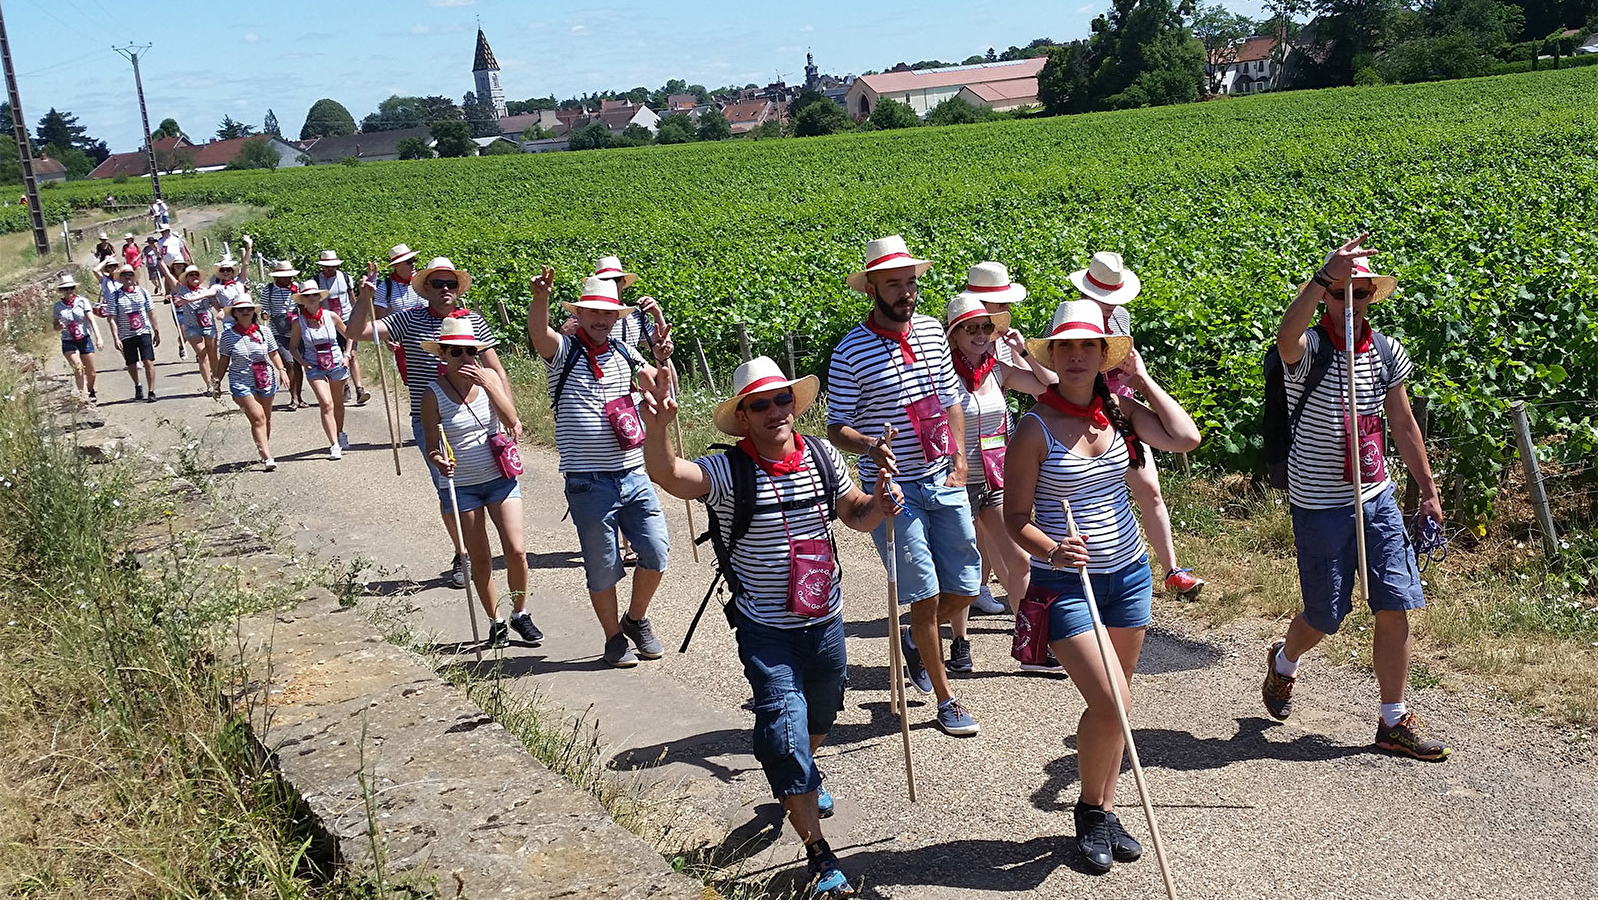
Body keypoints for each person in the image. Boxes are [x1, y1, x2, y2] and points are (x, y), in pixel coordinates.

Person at [642, 356, 899, 899]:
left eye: (782, 398)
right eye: (760, 403)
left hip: (826, 615)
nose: (775, 410)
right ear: (743, 414)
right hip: (766, 628)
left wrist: (880, 503)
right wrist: (659, 430)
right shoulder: (730, 471)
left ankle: (803, 770)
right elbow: (670, 476)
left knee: (823, 710)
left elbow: (855, 513)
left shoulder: (823, 455)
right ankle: (818, 852)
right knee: (783, 728)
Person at [1003, 299, 1201, 873]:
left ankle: (1104, 808)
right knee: (1111, 699)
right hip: (1065, 586)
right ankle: (1090, 812)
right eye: (1065, 347)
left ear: (1102, 355)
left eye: (1087, 346)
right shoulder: (1034, 427)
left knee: (1118, 702)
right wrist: (1052, 548)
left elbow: (1185, 439)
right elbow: (1015, 517)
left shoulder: (1118, 412)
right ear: (1053, 355)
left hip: (1129, 576)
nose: (1075, 356)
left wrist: (1141, 378)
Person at [1262, 234, 1451, 761]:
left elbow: (1404, 423)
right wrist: (1324, 275)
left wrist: (1429, 490)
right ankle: (1284, 660)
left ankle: (1393, 720)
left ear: (1372, 297)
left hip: (1376, 494)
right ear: (1327, 297)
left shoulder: (1386, 350)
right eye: (1341, 294)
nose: (1351, 303)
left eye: (1359, 293)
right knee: (1326, 615)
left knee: (1395, 603)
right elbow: (1286, 334)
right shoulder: (1310, 349)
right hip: (1319, 502)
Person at [826, 235, 982, 737]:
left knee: (966, 585)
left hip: (944, 476)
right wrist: (870, 445)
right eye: (894, 283)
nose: (905, 292)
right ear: (871, 286)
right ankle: (946, 698)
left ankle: (918, 639)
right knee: (924, 592)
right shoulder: (850, 350)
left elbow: (952, 399)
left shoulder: (936, 332)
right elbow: (836, 426)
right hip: (892, 490)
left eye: (910, 282)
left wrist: (960, 459)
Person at [525, 268, 669, 668]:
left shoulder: (625, 353)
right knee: (603, 567)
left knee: (656, 552)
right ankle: (613, 639)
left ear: (617, 318)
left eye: (608, 314)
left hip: (633, 471)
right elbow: (541, 336)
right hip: (587, 480)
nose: (601, 320)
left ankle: (635, 619)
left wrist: (663, 360)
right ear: (581, 313)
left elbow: (658, 386)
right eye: (593, 313)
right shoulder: (565, 352)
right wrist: (541, 300)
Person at [350, 256, 517, 589]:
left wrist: (508, 410)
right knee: (450, 490)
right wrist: (364, 298)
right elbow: (358, 332)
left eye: (450, 284)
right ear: (425, 288)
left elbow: (495, 369)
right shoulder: (409, 320)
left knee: (494, 483)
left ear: (457, 288)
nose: (444, 290)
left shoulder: (473, 321)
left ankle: (478, 554)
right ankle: (463, 553)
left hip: (480, 416)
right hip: (433, 419)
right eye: (437, 284)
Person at [1073, 252, 1206, 600]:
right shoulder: (1069, 318)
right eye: (1102, 298)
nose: (1108, 306)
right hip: (1081, 418)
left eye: (1113, 298)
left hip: (1121, 411)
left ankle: (1172, 570)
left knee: (1149, 487)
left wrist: (1135, 376)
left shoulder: (1121, 318)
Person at [942, 292, 1054, 674]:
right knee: (965, 566)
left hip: (993, 477)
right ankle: (960, 643)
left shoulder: (997, 369)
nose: (979, 334)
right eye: (969, 328)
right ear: (953, 333)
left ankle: (1030, 646)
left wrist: (1024, 352)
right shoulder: (939, 373)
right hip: (953, 481)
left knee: (1021, 559)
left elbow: (1050, 387)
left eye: (985, 327)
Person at [420, 316, 542, 650]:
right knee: (481, 558)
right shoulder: (433, 395)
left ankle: (520, 613)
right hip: (462, 485)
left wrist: (489, 384)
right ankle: (496, 621)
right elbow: (432, 443)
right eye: (456, 352)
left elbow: (512, 420)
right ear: (443, 355)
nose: (465, 359)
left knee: (516, 551)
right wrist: (438, 460)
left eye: (470, 352)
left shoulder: (487, 380)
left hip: (499, 478)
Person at [217, 295, 290, 471]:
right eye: (241, 309)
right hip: (241, 381)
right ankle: (267, 457)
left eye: (248, 309)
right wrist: (216, 382)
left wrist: (282, 370)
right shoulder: (227, 336)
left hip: (265, 378)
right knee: (258, 417)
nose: (245, 312)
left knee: (266, 417)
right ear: (234, 313)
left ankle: (264, 448)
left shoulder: (264, 332)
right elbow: (223, 361)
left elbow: (273, 353)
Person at [288, 280, 351, 459]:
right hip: (314, 366)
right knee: (326, 403)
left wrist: (347, 355)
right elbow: (293, 347)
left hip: (336, 364)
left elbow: (350, 335)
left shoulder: (332, 317)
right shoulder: (299, 323)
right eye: (306, 296)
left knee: (338, 403)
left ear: (319, 297)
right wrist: (302, 362)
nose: (311, 299)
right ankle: (334, 445)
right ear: (302, 300)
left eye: (314, 295)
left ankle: (340, 433)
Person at [313, 249, 370, 405]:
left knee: (351, 353)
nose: (330, 269)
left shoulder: (345, 278)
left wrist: (358, 315)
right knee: (337, 355)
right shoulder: (316, 281)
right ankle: (344, 386)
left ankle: (359, 389)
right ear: (322, 267)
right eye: (327, 266)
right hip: (328, 322)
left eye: (332, 266)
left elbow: (352, 299)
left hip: (346, 320)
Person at [100, 263, 161, 402]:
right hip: (126, 334)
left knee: (148, 361)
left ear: (134, 277)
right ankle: (137, 385)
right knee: (131, 363)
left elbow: (151, 313)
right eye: (124, 275)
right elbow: (112, 319)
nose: (127, 277)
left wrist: (156, 331)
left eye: (130, 274)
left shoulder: (143, 292)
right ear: (120, 278)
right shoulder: (114, 297)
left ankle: (151, 391)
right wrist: (116, 338)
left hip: (144, 331)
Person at [161, 264, 224, 398]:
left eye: (196, 275)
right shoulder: (181, 289)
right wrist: (158, 256)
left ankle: (217, 381)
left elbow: (217, 305)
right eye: (191, 275)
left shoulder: (206, 291)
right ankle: (209, 385)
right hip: (192, 327)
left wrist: (222, 312)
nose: (194, 277)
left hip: (208, 325)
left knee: (213, 354)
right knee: (202, 354)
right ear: (186, 278)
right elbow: (168, 274)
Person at [261, 260, 308, 410]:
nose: (288, 279)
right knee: (289, 363)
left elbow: (303, 306)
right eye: (284, 276)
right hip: (278, 331)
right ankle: (293, 397)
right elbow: (265, 307)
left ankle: (299, 397)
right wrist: (265, 313)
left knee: (298, 363)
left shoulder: (297, 288)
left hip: (295, 329)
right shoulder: (269, 289)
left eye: (289, 276)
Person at [52, 274, 103, 401]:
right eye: (65, 289)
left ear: (74, 288)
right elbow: (55, 326)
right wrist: (59, 326)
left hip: (84, 338)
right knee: (78, 367)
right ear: (62, 291)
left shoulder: (82, 301)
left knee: (91, 372)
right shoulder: (58, 307)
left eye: (71, 288)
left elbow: (91, 320)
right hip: (68, 340)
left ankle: (89, 389)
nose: (69, 291)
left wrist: (98, 337)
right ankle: (83, 397)